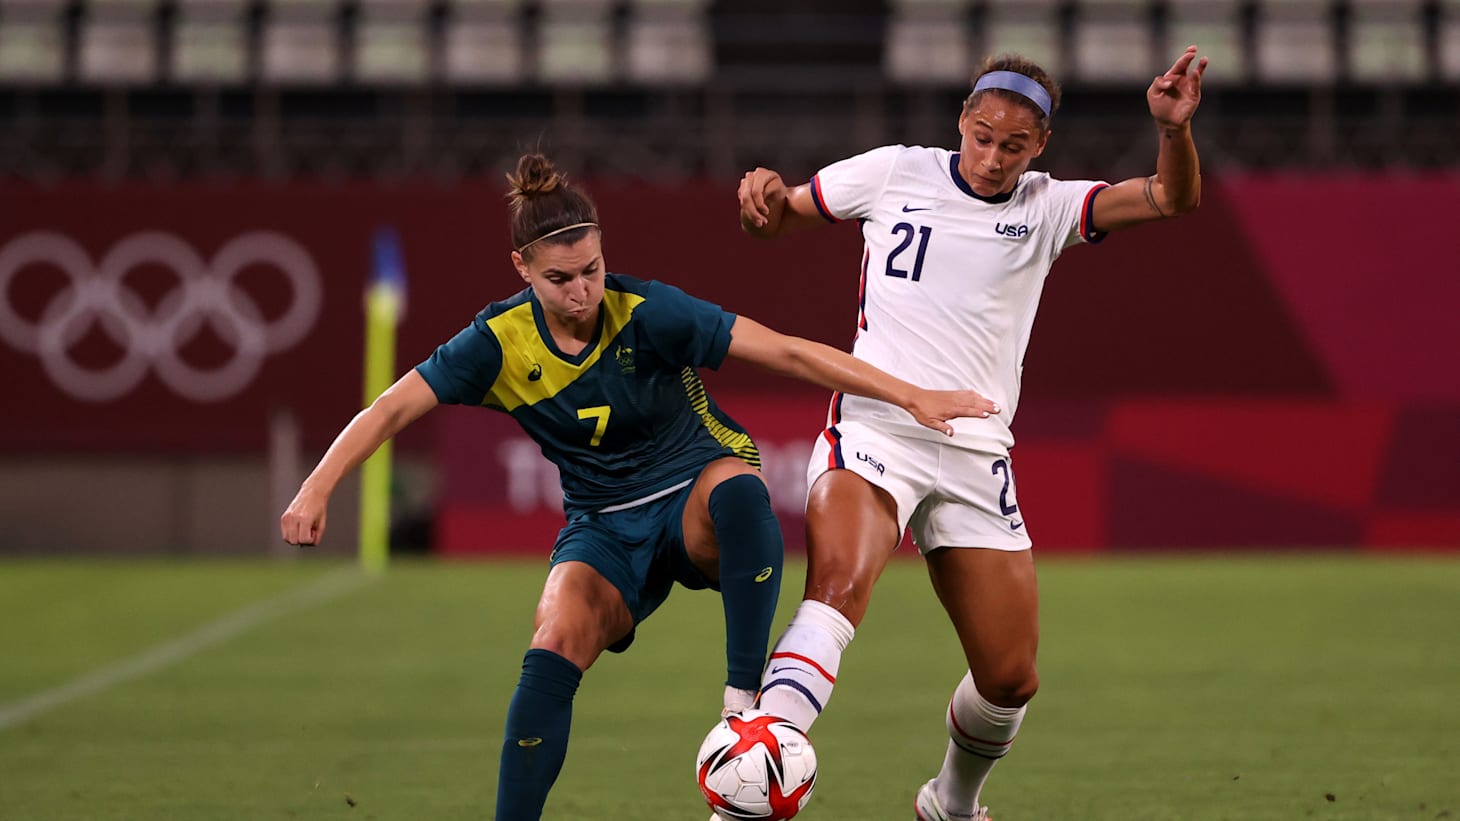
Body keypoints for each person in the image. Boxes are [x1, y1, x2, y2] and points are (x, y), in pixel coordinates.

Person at [280, 153, 997, 821]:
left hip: (692, 494)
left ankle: (743, 704)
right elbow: (391, 408)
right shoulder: (497, 343)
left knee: (740, 491)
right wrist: (316, 488)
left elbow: (786, 351)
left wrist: (909, 395)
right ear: (521, 268)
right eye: (560, 279)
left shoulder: (648, 311)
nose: (581, 291)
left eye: (591, 269)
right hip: (603, 525)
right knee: (553, 642)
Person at [733, 48, 1208, 821]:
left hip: (975, 452)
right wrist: (761, 198)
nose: (991, 158)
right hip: (879, 427)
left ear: (1040, 144)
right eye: (982, 137)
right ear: (962, 119)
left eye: (1013, 146)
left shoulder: (1050, 207)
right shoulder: (894, 171)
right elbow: (778, 215)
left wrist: (1173, 131)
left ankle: (950, 805)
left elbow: (1169, 198)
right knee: (839, 587)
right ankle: (753, 779)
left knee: (1010, 677)